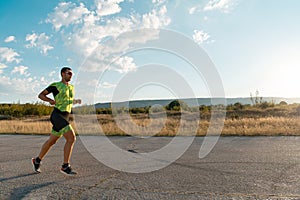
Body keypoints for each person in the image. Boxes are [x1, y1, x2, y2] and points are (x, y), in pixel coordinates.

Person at [32, 66, 81, 175]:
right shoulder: (56, 85)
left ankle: (37, 160)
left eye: (72, 73)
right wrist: (50, 100)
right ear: (63, 74)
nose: (71, 75)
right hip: (57, 115)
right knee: (71, 138)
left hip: (65, 116)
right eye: (69, 73)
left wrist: (75, 101)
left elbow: (68, 100)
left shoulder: (71, 87)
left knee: (52, 141)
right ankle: (65, 166)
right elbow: (41, 95)